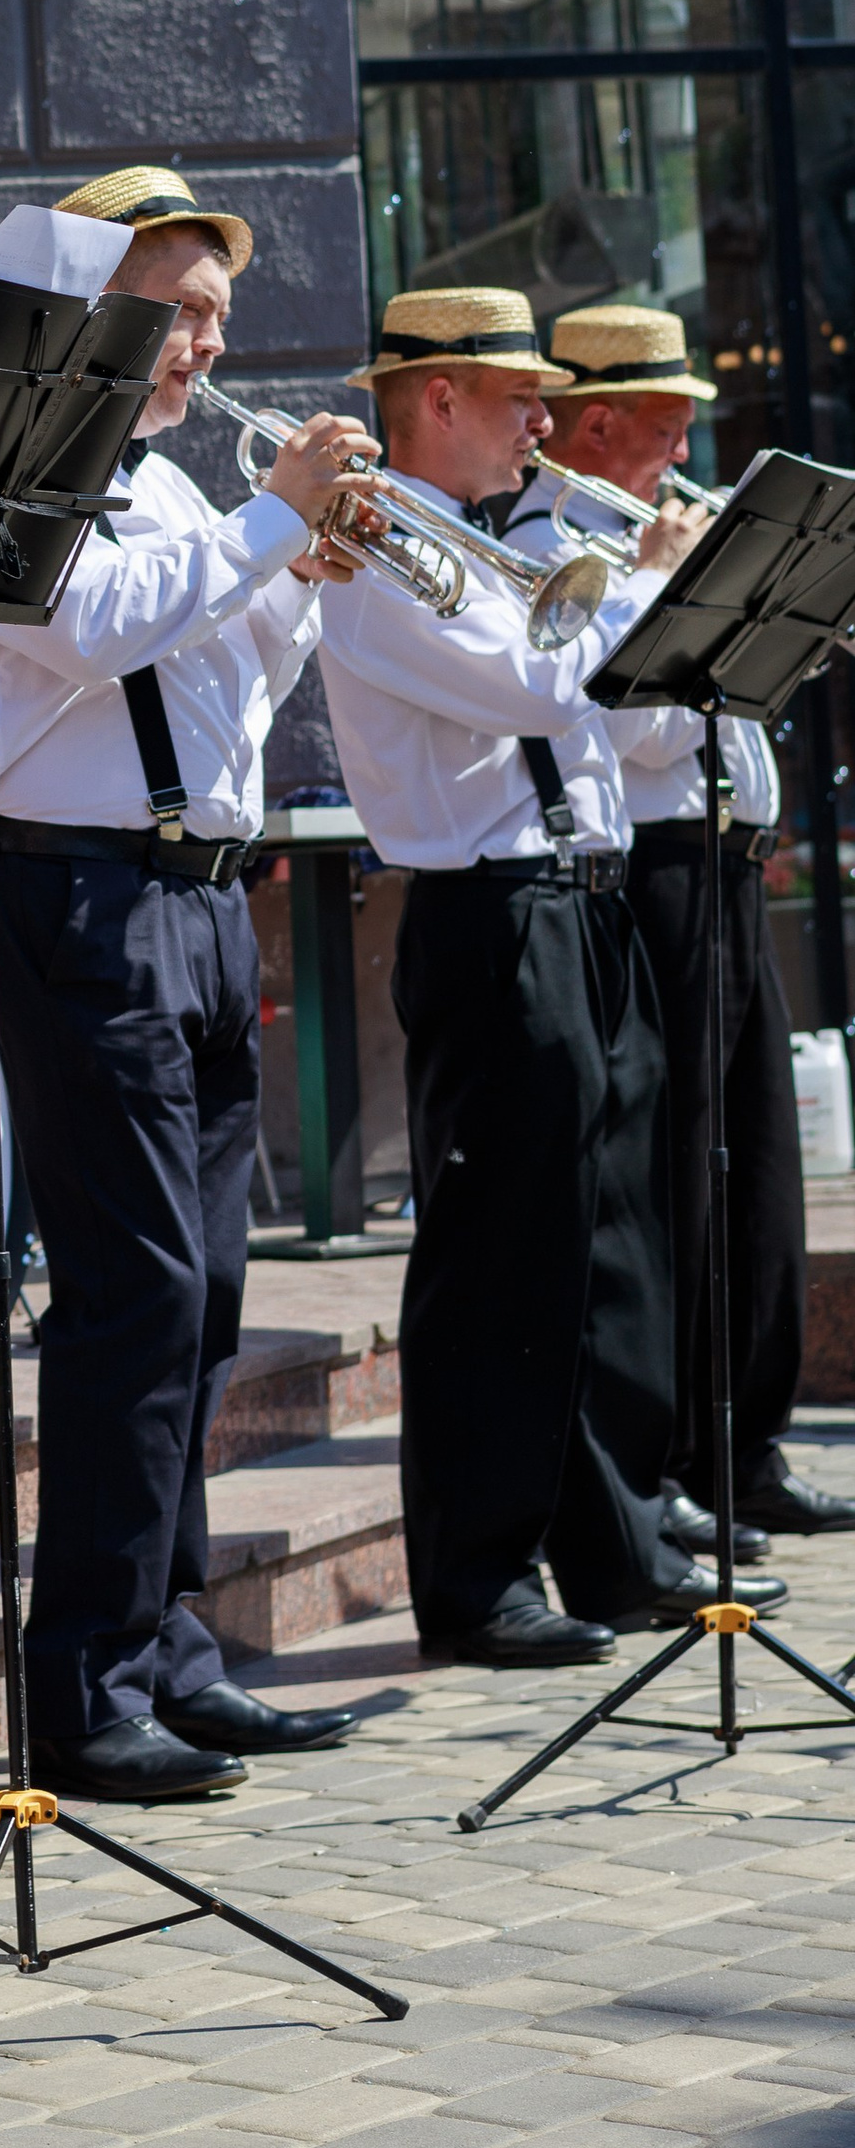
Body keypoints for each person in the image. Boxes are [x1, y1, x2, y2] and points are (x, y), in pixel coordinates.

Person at [0, 165, 378, 1808]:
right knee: (137, 1290)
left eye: (216, 318)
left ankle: (170, 1650)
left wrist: (300, 574)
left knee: (212, 1292)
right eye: (177, 312)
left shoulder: (177, 493)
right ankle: (85, 1687)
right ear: (94, 305)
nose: (203, 347)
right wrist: (270, 519)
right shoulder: (14, 469)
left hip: (198, 900)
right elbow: (94, 628)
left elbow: (236, 699)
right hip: (75, 895)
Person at [314, 284, 788, 1665]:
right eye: (523, 398)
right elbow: (545, 689)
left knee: (614, 1241)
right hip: (488, 912)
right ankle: (476, 1579)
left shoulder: (501, 538)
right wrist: (647, 585)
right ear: (439, 403)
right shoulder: (383, 546)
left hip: (581, 900)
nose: (546, 422)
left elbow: (621, 703)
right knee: (502, 1263)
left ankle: (612, 1541)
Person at [505, 304, 853, 1549]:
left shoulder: (656, 532)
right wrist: (667, 586)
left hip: (729, 866)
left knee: (755, 1169)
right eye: (664, 427)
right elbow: (640, 729)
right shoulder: (562, 547)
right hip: (652, 871)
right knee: (676, 1172)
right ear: (598, 422)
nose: (683, 450)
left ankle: (747, 1443)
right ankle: (672, 1461)